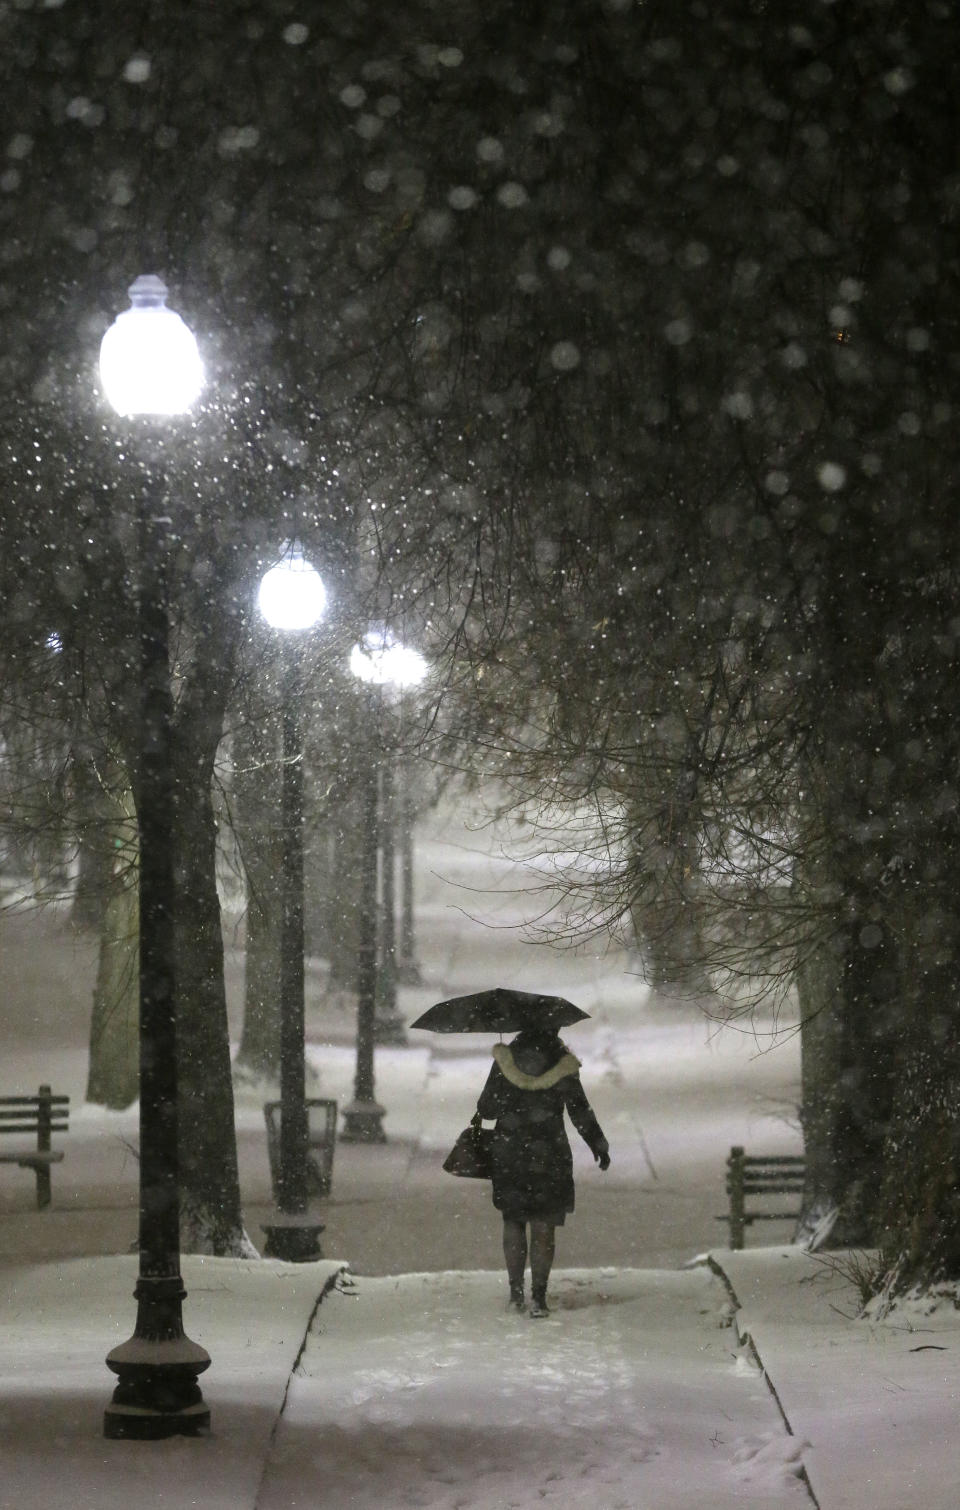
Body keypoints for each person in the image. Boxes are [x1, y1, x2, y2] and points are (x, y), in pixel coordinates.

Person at [476, 1025, 610, 1317]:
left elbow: (486, 1109)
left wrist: (503, 1085)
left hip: (510, 1151)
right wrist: (597, 1143)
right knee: (543, 1224)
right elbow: (579, 1110)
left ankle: (515, 1294)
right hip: (549, 1152)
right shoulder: (562, 1064)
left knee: (513, 1221)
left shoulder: (505, 1060)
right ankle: (539, 1297)